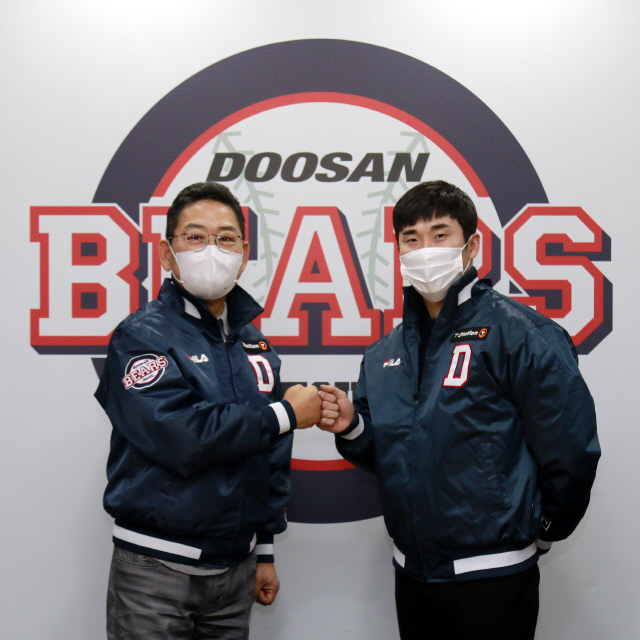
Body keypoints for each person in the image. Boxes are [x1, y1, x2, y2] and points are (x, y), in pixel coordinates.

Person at [319, 180, 600, 640]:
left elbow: (570, 447)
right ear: (398, 251)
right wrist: (352, 427)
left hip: (494, 576)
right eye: (411, 238)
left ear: (471, 245)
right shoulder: (385, 352)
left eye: (440, 234)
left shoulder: (522, 333)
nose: (425, 250)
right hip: (413, 573)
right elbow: (396, 456)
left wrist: (545, 529)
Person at [95, 181, 321, 639]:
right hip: (155, 569)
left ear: (243, 252)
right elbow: (182, 436)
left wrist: (264, 550)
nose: (212, 250)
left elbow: (270, 455)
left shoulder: (255, 344)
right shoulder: (140, 336)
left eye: (226, 238)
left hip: (235, 570)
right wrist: (283, 414)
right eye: (195, 237)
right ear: (167, 253)